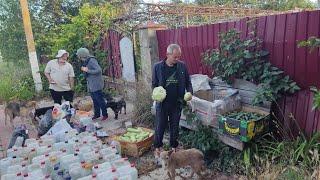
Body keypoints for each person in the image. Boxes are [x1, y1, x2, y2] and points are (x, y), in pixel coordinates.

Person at [152, 44, 193, 155]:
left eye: (178, 56)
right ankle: (157, 147)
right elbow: (154, 84)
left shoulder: (182, 66)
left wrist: (189, 93)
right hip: (163, 103)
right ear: (167, 54)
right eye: (175, 57)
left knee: (175, 126)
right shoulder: (157, 67)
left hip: (177, 103)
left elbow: (188, 82)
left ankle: (173, 147)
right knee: (160, 126)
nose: (177, 59)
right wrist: (156, 94)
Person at [76, 47, 108, 121]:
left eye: (79, 55)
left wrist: (87, 70)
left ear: (82, 55)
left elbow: (99, 70)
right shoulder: (86, 60)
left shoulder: (91, 60)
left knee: (100, 100)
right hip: (91, 84)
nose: (78, 57)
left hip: (96, 83)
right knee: (94, 100)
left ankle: (105, 114)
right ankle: (97, 114)